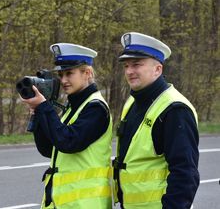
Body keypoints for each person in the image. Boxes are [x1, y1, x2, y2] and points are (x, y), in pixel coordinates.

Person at [112, 32, 199, 209]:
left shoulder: (175, 109)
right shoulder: (133, 103)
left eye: (136, 65)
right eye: (126, 65)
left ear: (157, 69)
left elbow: (185, 174)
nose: (129, 71)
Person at [21, 43, 113, 209]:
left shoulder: (96, 108)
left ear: (87, 73)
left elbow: (68, 142)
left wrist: (44, 107)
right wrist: (40, 115)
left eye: (69, 73)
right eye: (61, 74)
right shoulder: (74, 106)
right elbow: (49, 149)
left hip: (86, 204)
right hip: (64, 203)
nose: (63, 80)